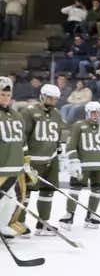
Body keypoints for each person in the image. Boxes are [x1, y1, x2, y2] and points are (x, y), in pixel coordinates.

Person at [14, 84, 64, 236]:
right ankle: (19, 222)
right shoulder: (28, 112)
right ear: (42, 96)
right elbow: (21, 136)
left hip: (50, 158)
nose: (52, 101)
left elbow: (58, 132)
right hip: (32, 160)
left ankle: (43, 223)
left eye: (55, 99)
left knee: (48, 191)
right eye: (50, 97)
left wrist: (58, 147)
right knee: (25, 192)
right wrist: (24, 158)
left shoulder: (56, 113)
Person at [60, 101, 100, 229]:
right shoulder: (78, 126)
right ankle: (69, 215)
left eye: (99, 113)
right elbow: (70, 145)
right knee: (75, 189)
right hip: (82, 165)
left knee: (97, 190)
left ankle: (91, 216)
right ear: (87, 113)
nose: (97, 115)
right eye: (94, 113)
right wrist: (74, 161)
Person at [0, 76, 30, 238]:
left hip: (15, 166)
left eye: (7, 95)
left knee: (11, 200)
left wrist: (26, 162)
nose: (5, 98)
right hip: (1, 165)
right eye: (2, 94)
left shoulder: (17, 116)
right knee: (1, 199)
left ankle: (3, 226)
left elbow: (22, 142)